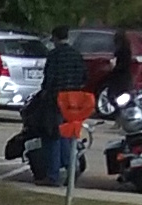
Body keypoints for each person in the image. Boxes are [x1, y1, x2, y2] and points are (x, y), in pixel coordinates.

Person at [40, 25, 88, 188]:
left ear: (54, 38)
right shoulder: (77, 55)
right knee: (67, 136)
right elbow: (84, 77)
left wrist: (45, 92)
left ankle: (53, 175)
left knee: (53, 135)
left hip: (56, 99)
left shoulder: (54, 55)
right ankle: (71, 168)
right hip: (73, 101)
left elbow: (49, 78)